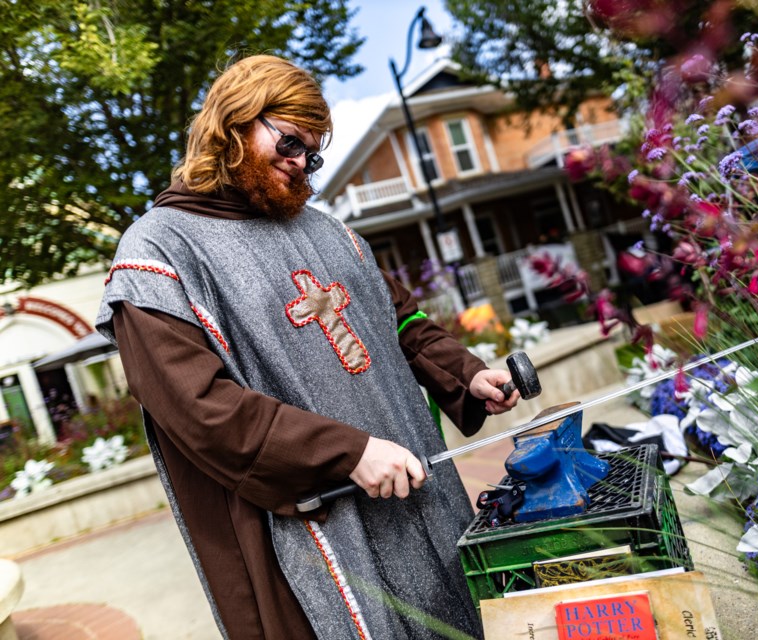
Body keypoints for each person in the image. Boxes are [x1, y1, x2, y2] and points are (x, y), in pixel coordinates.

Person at [96, 54, 519, 639]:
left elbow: (399, 321)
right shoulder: (157, 253)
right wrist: (345, 453)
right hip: (310, 532)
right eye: (290, 142)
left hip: (420, 501)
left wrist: (467, 374)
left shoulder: (328, 231)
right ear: (232, 123)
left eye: (312, 154)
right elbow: (198, 407)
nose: (301, 165)